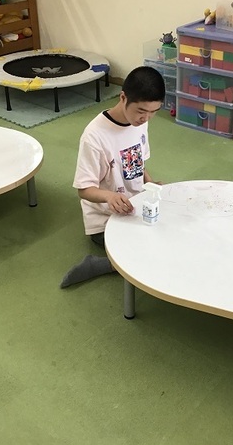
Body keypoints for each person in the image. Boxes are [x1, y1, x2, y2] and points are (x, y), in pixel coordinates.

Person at [60, 65, 165, 288]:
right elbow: (83, 189)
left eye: (154, 112)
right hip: (105, 221)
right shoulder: (94, 136)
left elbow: (138, 163)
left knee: (170, 232)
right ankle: (100, 265)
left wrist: (150, 184)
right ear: (123, 97)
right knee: (150, 251)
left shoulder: (140, 123)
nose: (146, 118)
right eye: (141, 111)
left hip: (134, 207)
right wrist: (109, 197)